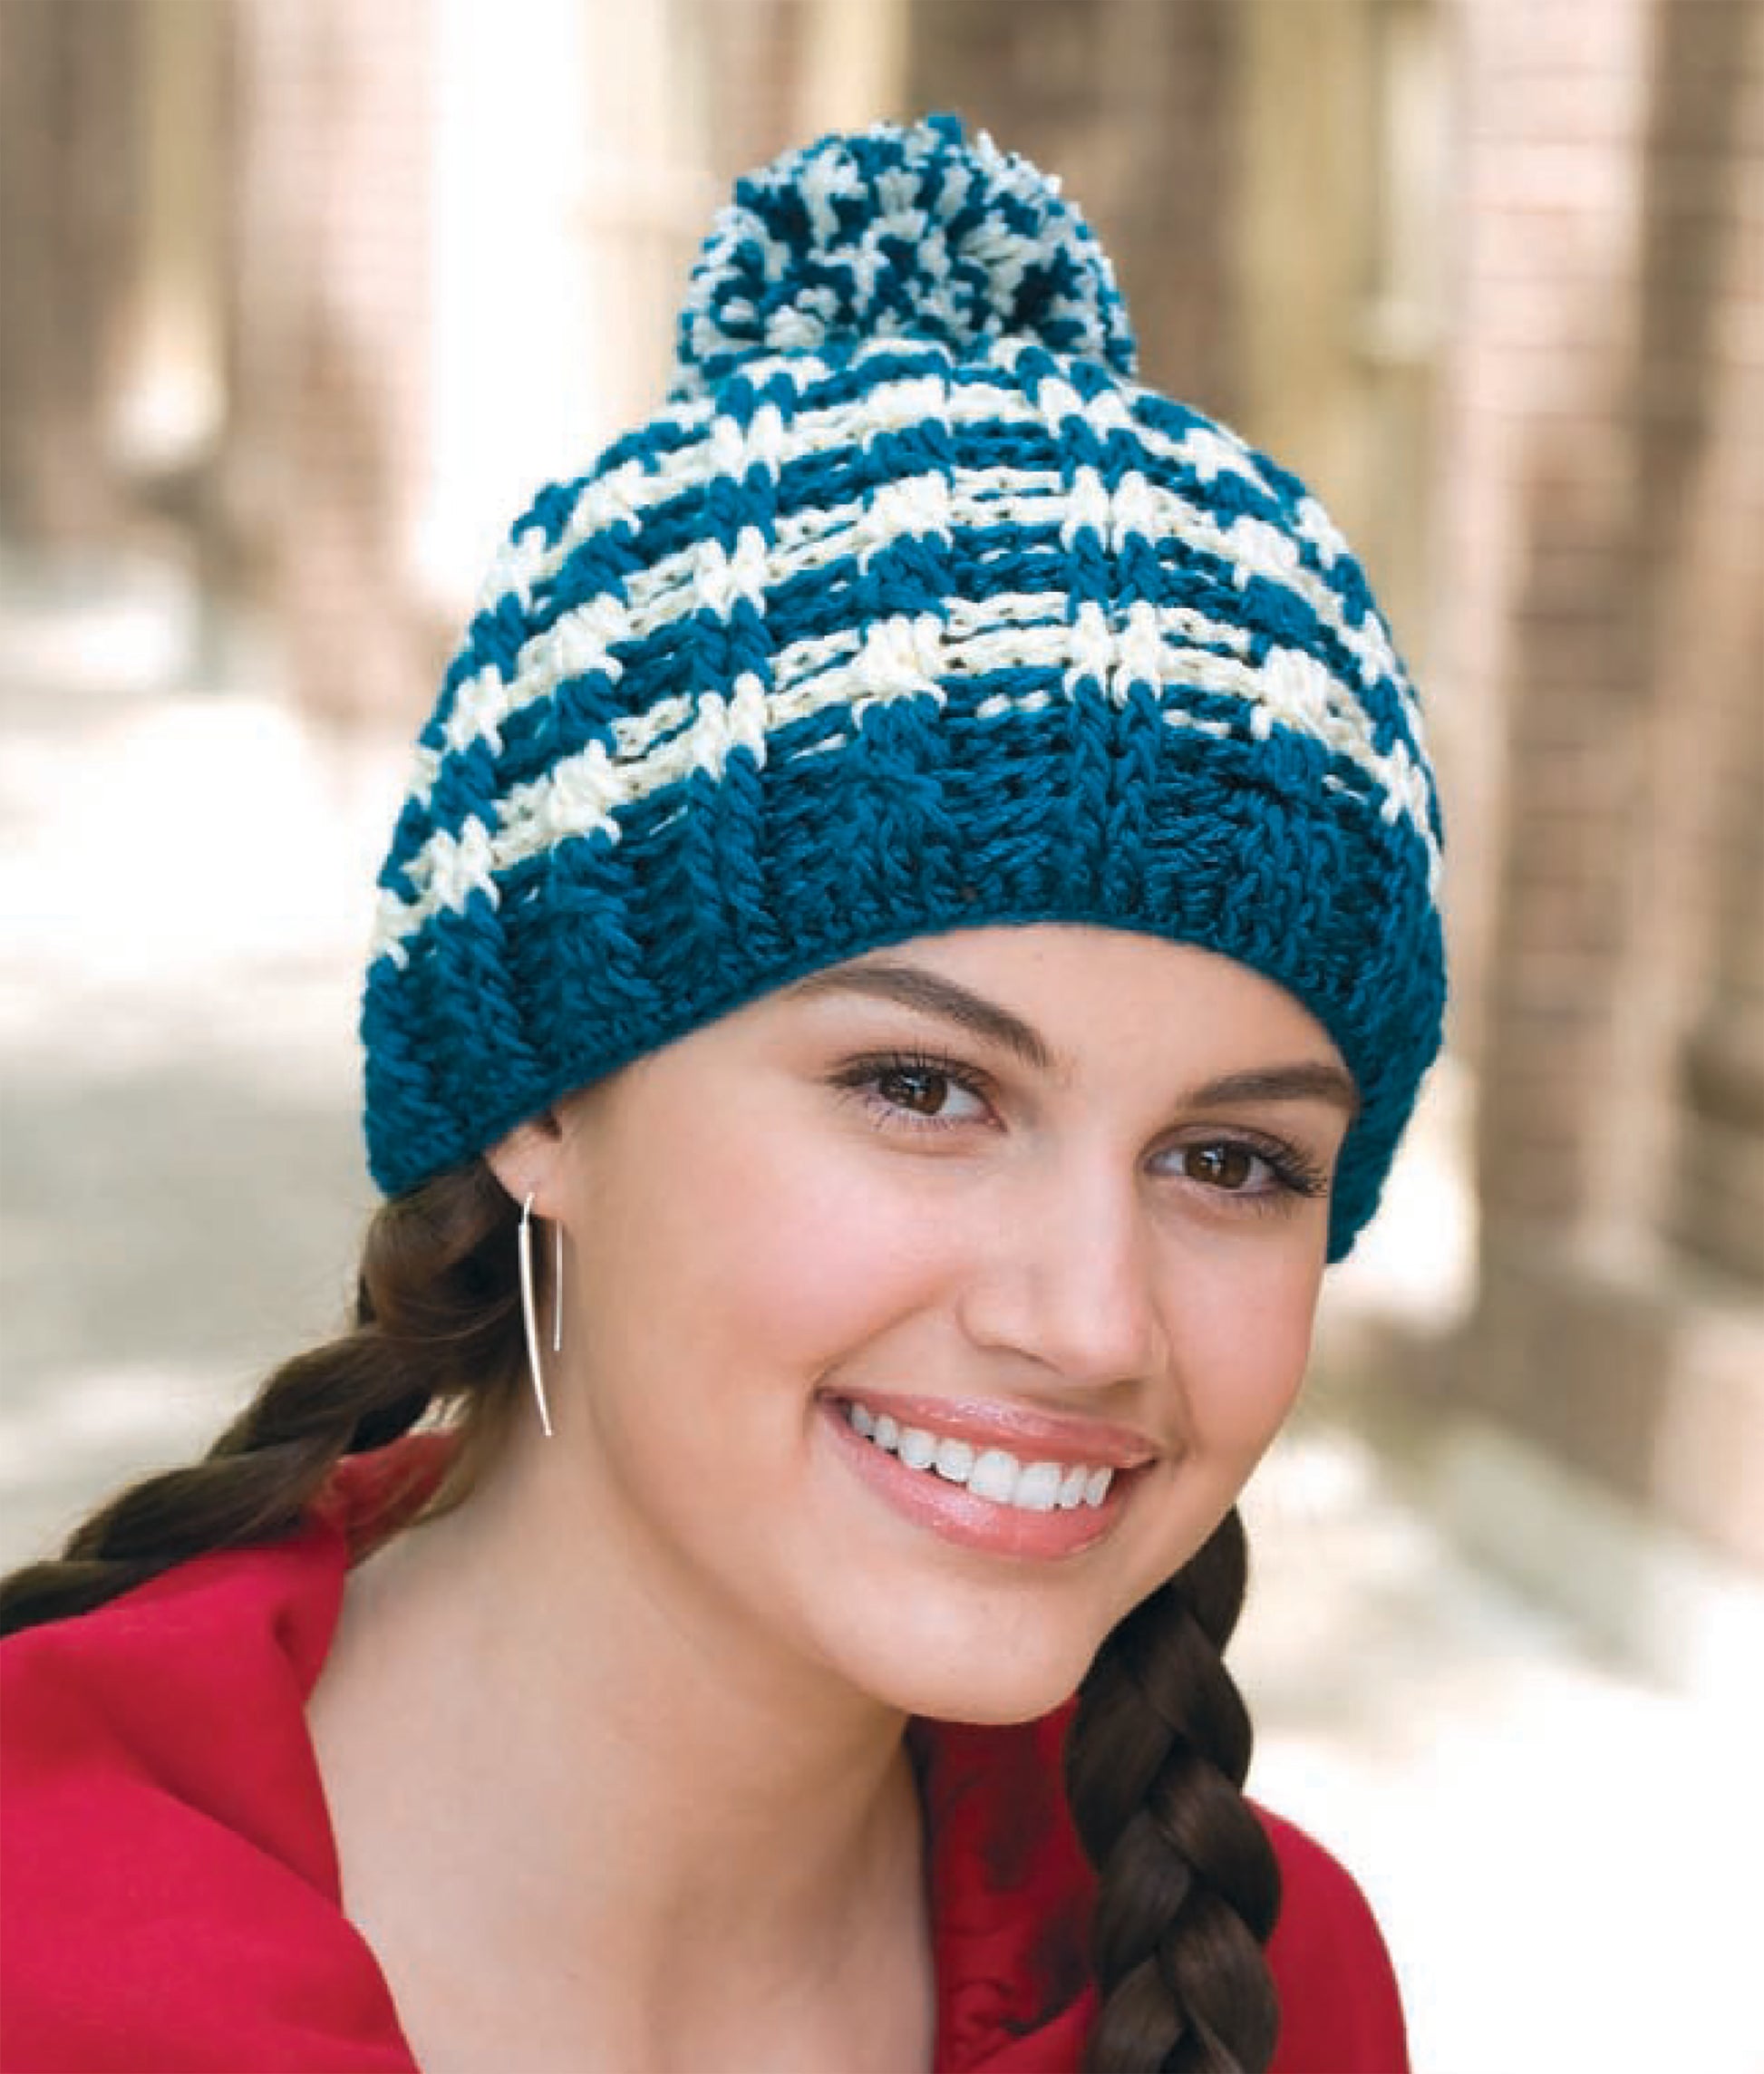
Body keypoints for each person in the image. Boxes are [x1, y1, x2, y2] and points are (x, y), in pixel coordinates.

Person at [0, 116, 1444, 2074]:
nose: (1089, 1319)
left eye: (1229, 1158)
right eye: (923, 1085)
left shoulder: (1263, 1987)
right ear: (542, 1095)